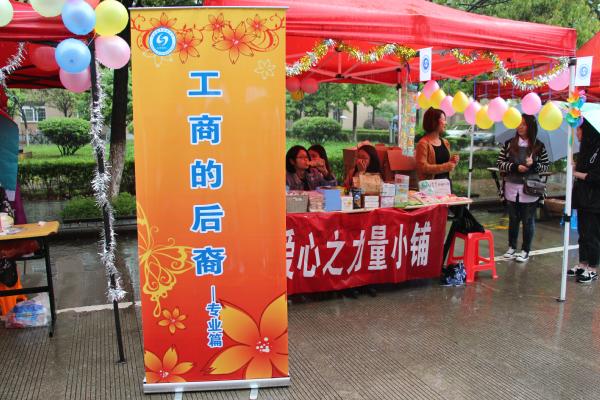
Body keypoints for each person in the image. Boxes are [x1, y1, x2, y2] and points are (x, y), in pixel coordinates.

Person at [497, 114, 549, 263]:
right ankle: (511, 247)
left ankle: (525, 250)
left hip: (530, 189)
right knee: (513, 219)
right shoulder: (509, 144)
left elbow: (545, 166)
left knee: (528, 220)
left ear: (530, 127)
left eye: (524, 124)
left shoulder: (538, 146)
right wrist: (515, 167)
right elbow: (500, 163)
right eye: (518, 123)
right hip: (511, 187)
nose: (520, 127)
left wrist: (534, 164)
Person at [570, 118, 600, 283]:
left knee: (592, 235)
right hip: (582, 198)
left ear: (587, 131)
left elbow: (595, 177)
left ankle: (593, 268)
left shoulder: (598, 149)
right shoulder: (585, 149)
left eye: (579, 129)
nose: (577, 133)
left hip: (594, 201)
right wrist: (575, 166)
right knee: (582, 234)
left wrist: (576, 173)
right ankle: (582, 264)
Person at [415, 108, 459, 183]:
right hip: (431, 187)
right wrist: (446, 167)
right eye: (444, 120)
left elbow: (444, 163)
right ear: (434, 122)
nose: (446, 123)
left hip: (446, 184)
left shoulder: (445, 142)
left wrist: (452, 161)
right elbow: (422, 167)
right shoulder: (423, 144)